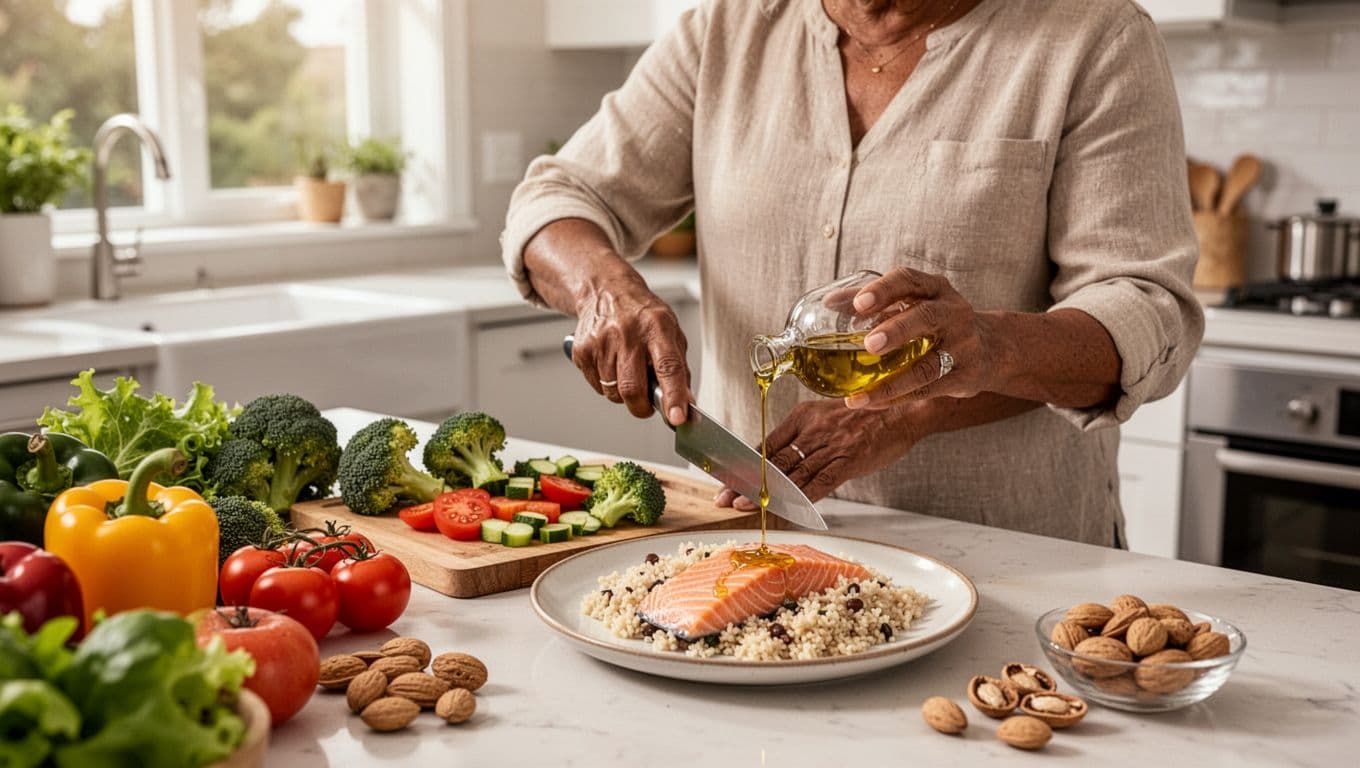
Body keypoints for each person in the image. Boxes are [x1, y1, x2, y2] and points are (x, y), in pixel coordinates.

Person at [501, 0, 1203, 546]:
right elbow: (557, 198)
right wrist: (606, 290)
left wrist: (978, 353)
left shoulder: (1095, 37)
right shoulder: (727, 30)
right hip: (750, 538)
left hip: (1011, 550)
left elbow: (1145, 312)